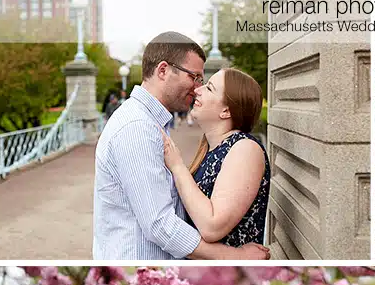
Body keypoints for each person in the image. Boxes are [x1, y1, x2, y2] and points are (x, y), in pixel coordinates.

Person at [93, 33, 269, 261]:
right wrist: (233, 256)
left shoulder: (153, 125)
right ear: (163, 70)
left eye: (205, 83)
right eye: (194, 77)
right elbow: (159, 224)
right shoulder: (137, 127)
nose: (197, 88)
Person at [162, 65, 270, 249]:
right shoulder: (212, 148)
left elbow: (212, 226)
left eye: (209, 88)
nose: (198, 90)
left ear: (226, 111)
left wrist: (177, 166)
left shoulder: (245, 149)